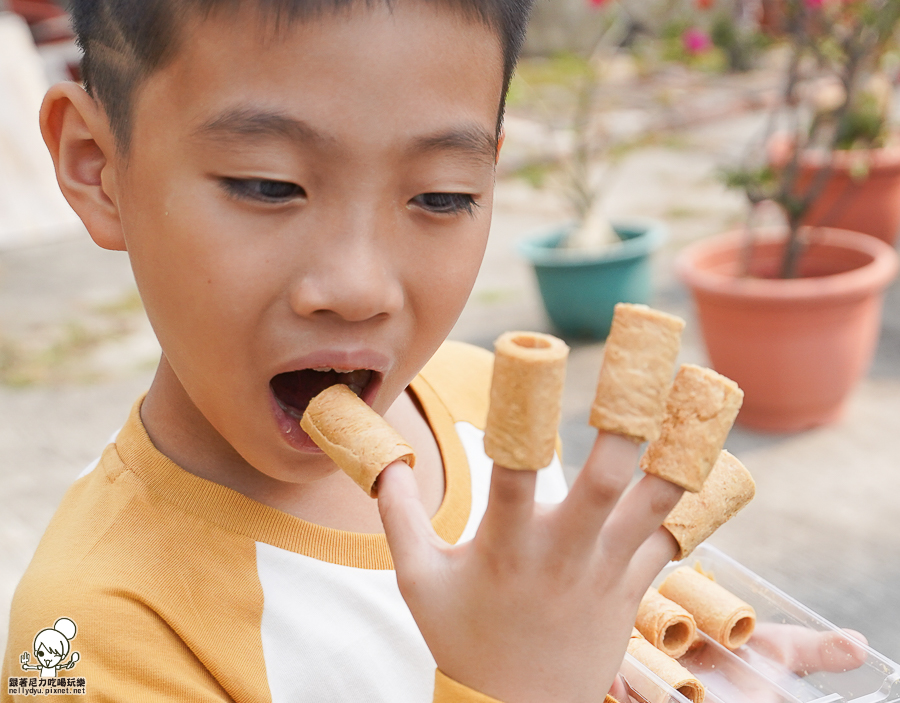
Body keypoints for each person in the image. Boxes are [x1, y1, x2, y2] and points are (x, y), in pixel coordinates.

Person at [0, 0, 855, 701]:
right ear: (96, 165)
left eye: (442, 196)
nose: (359, 285)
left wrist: (664, 661)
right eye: (268, 183)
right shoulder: (96, 635)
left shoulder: (492, 415)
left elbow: (575, 639)